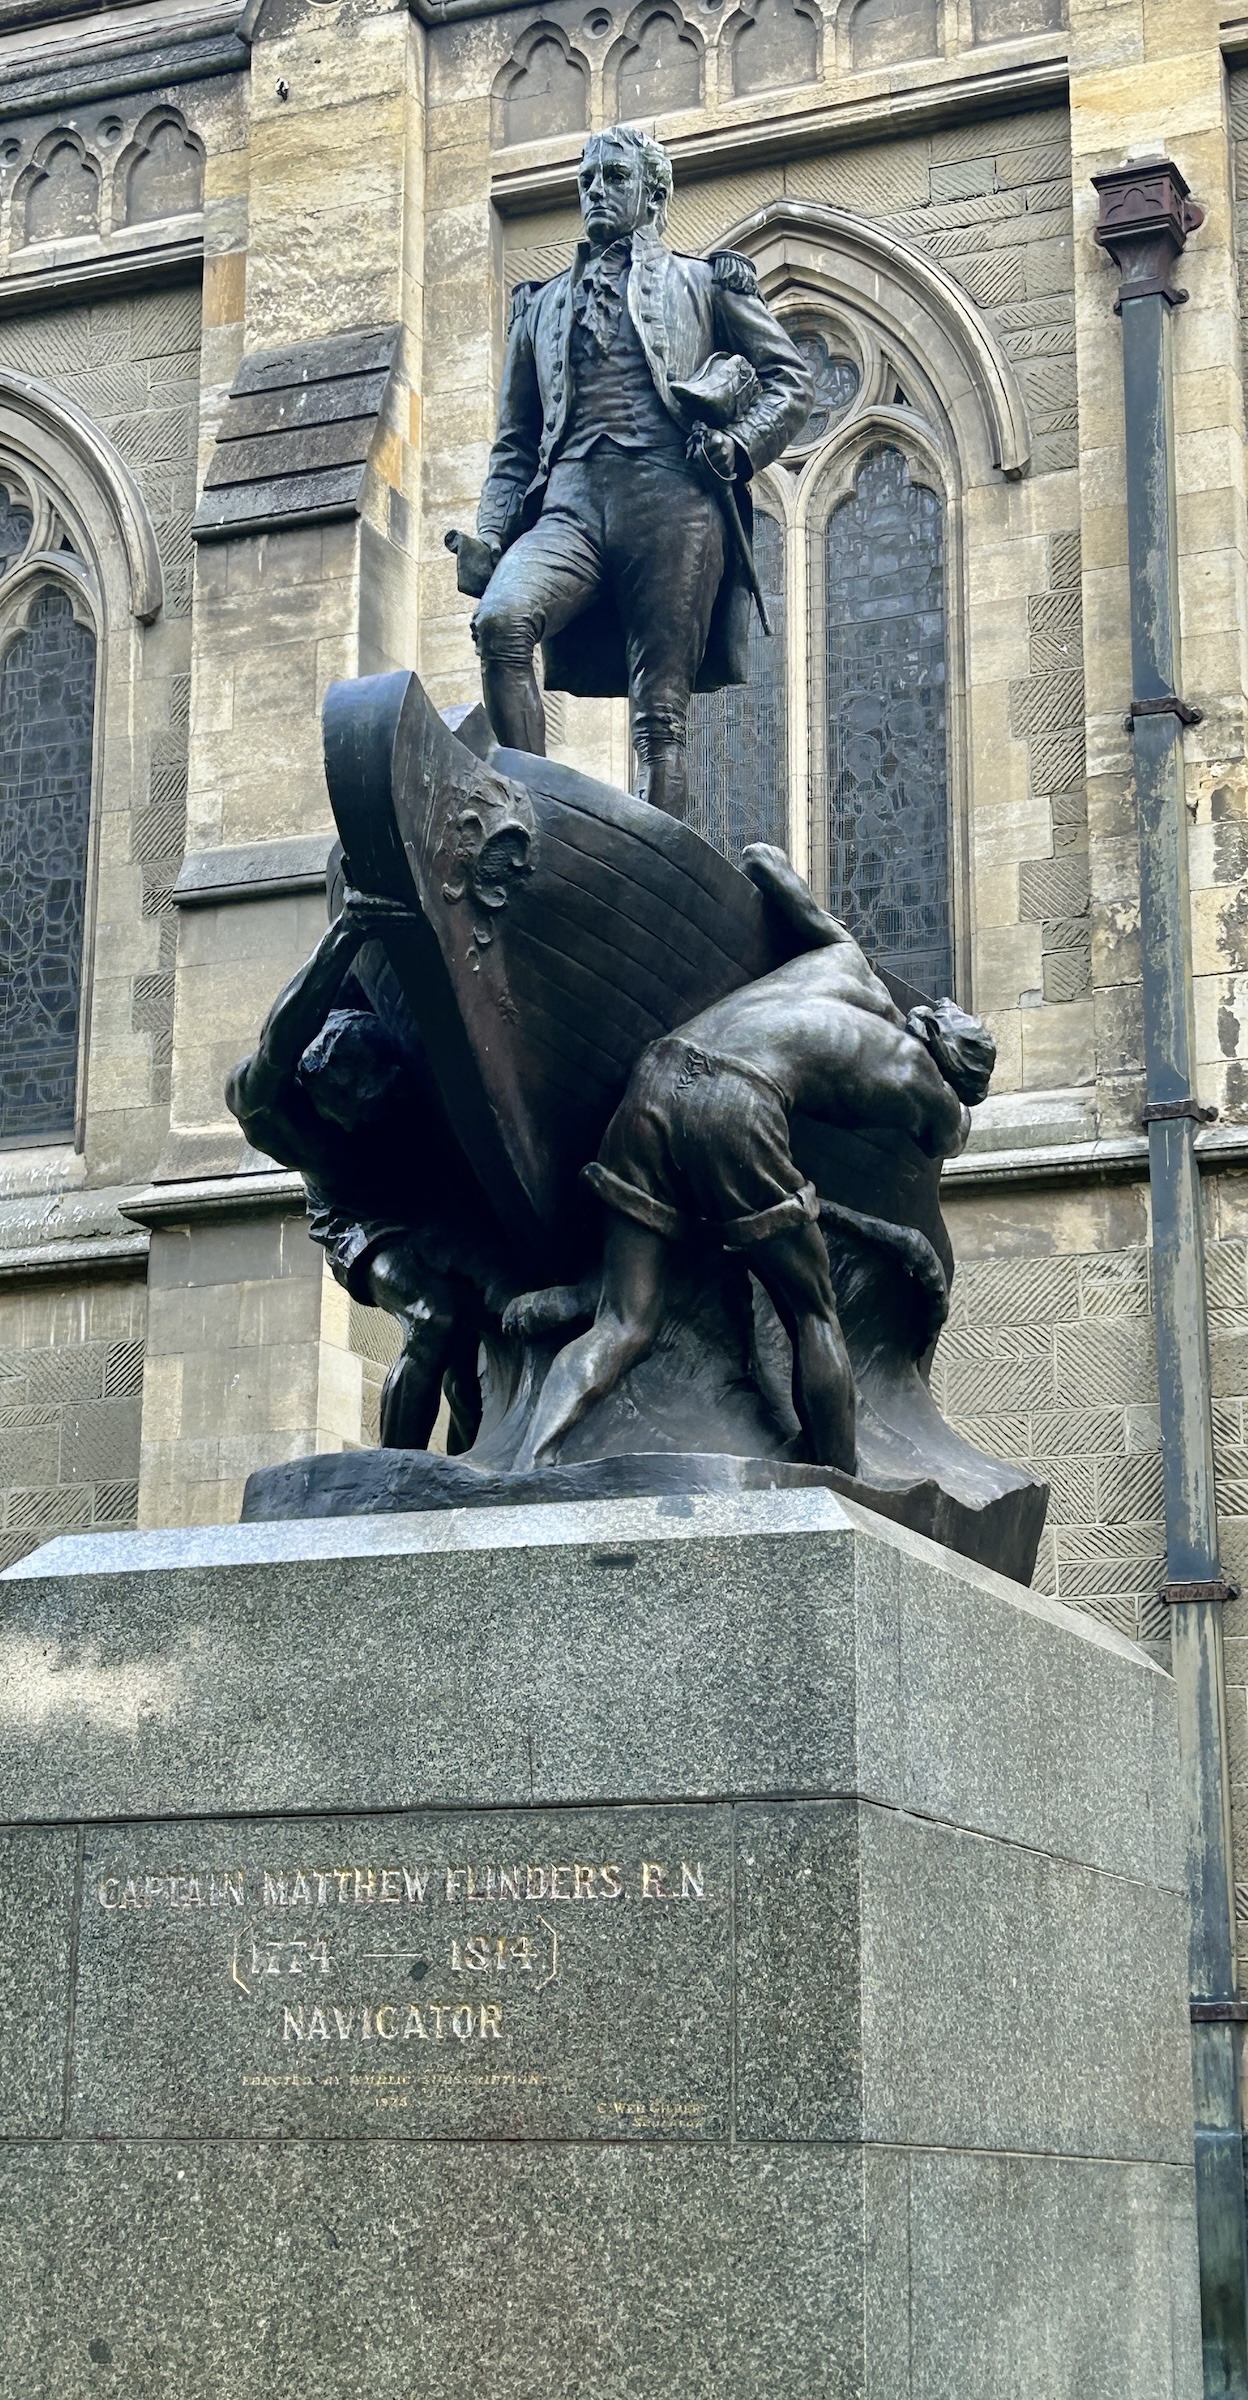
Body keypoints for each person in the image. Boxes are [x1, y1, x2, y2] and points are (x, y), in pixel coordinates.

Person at [511, 846, 994, 1473]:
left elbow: (770, 869)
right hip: (737, 1103)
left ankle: (531, 1463)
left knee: (625, 1321)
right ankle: (837, 1484)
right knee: (814, 1312)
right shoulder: (927, 1088)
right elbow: (947, 1138)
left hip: (658, 1072)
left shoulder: (848, 964)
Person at [464, 123, 812, 820]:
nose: (595, 191)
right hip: (569, 507)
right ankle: (534, 820)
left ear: (654, 194)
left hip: (671, 503)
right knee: (501, 622)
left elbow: (790, 382)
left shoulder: (706, 282)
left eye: (614, 178)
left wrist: (739, 446)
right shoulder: (539, 308)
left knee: (660, 716)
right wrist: (492, 535)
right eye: (587, 180)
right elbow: (514, 444)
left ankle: (661, 864)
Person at [225, 887, 509, 1452]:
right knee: (433, 1317)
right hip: (360, 1218)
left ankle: (467, 1478)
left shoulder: (369, 1008)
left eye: (386, 1093)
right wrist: (344, 932)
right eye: (360, 1108)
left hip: (438, 1191)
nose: (375, 1111)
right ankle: (393, 1482)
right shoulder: (271, 1109)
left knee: (478, 1349)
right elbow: (277, 1043)